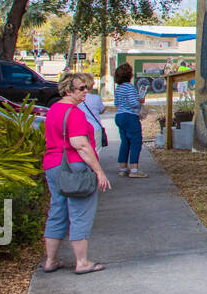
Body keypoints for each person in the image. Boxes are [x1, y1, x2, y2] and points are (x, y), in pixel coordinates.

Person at [42, 71, 110, 275]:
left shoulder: (53, 110)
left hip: (53, 166)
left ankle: (50, 260)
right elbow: (80, 144)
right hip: (75, 167)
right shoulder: (75, 113)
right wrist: (99, 172)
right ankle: (82, 262)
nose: (85, 92)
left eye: (87, 88)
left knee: (57, 211)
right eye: (81, 88)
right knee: (81, 212)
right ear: (68, 90)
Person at [112, 63, 148, 178]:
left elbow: (116, 103)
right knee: (135, 142)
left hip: (119, 116)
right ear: (130, 75)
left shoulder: (119, 88)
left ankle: (123, 168)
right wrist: (140, 101)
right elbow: (133, 102)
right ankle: (134, 169)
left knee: (125, 142)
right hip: (130, 117)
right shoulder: (130, 87)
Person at [78, 77, 107, 149]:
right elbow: (102, 110)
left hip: (81, 128)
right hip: (95, 127)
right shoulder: (96, 98)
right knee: (96, 150)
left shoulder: (78, 98)